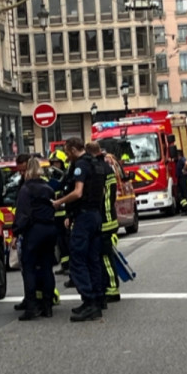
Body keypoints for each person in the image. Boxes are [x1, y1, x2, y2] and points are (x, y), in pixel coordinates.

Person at [53, 137, 107, 322]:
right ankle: (97, 300)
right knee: (93, 259)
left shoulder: (81, 166)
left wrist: (59, 202)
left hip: (85, 218)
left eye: (68, 152)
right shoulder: (97, 164)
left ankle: (89, 301)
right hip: (95, 215)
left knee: (78, 259)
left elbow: (78, 192)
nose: (67, 157)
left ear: (74, 150)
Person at [12, 158, 58, 321]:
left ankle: (32, 307)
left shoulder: (26, 189)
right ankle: (48, 306)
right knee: (46, 268)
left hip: (34, 231)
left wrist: (16, 231)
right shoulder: (48, 188)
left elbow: (23, 214)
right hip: (50, 230)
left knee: (29, 268)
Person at [91, 143, 121, 304]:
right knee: (104, 256)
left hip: (105, 220)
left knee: (105, 257)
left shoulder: (100, 170)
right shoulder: (106, 168)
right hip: (108, 218)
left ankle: (112, 288)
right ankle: (109, 286)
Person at [48, 150, 71, 276]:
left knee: (67, 240)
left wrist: (59, 195)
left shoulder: (66, 176)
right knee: (60, 242)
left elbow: (67, 192)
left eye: (57, 163)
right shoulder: (51, 177)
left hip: (65, 214)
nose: (55, 165)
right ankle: (64, 265)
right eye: (53, 163)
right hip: (55, 215)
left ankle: (70, 265)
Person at [176, 150, 187, 215]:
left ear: (179, 154)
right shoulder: (178, 161)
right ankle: (186, 207)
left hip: (185, 178)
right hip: (181, 179)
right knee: (180, 195)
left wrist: (184, 169)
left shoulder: (183, 159)